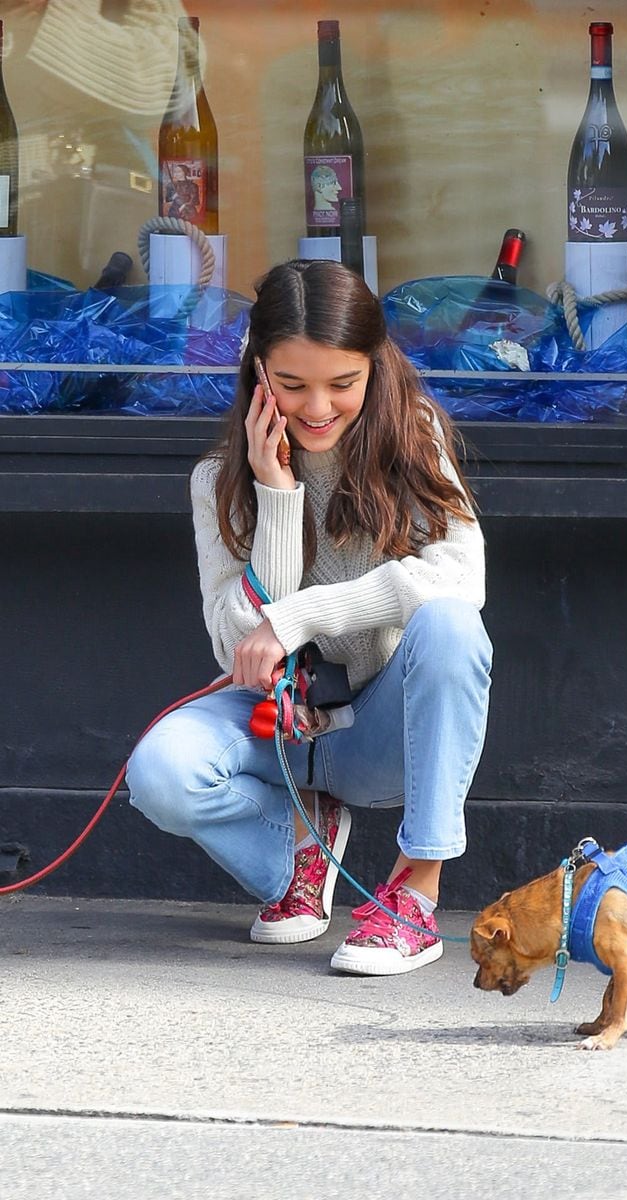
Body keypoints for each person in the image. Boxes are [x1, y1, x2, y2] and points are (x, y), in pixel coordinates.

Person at [126, 258, 492, 976]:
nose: (317, 407)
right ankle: (298, 850)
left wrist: (300, 616)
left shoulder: (412, 438)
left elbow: (462, 575)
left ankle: (415, 894)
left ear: (374, 367)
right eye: (292, 386)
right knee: (160, 772)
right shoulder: (216, 481)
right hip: (277, 729)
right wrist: (278, 498)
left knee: (451, 627)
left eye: (342, 384)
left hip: (380, 733)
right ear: (257, 372)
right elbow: (235, 642)